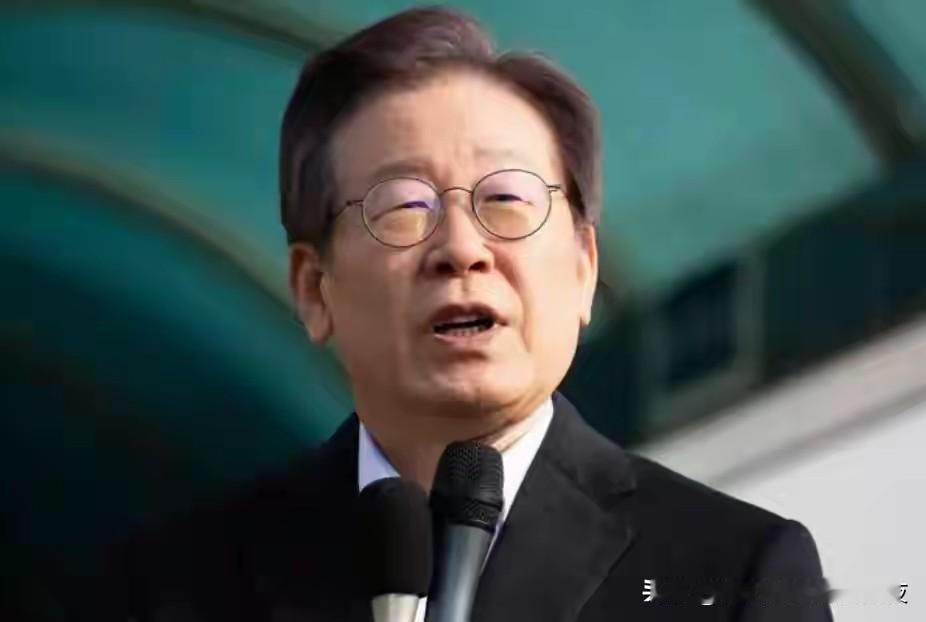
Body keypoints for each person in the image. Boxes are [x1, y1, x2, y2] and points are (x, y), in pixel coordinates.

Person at [83, 6, 833, 621]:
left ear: (582, 268)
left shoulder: (732, 574)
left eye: (507, 199)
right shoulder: (165, 591)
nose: (462, 250)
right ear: (314, 290)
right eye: (404, 207)